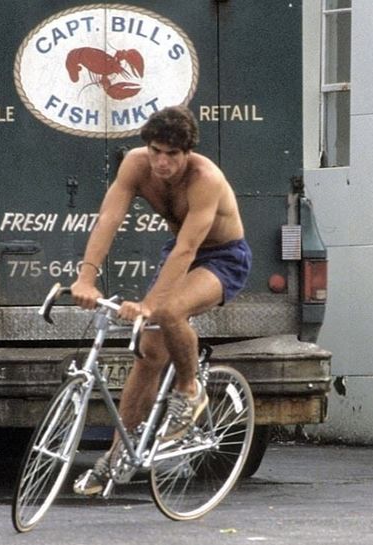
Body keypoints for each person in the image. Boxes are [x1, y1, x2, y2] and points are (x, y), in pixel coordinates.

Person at [70, 105, 251, 495]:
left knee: (168, 311)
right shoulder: (135, 166)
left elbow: (188, 248)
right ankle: (119, 454)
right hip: (177, 255)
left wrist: (149, 304)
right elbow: (108, 220)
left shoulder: (206, 179)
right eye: (156, 151)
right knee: (148, 353)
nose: (162, 162)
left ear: (188, 153)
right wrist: (86, 277)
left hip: (222, 257)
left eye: (172, 154)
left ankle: (189, 390)